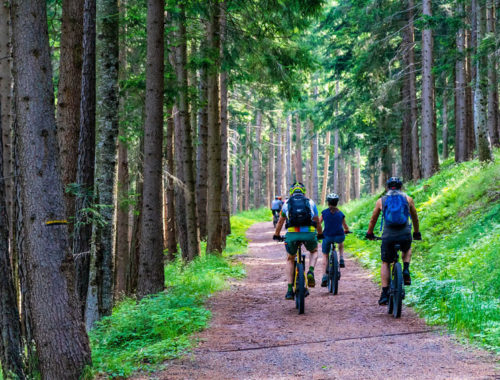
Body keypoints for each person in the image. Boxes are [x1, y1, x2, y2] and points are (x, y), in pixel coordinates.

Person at [365, 177, 421, 305]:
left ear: (387, 187)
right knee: (407, 248)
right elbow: (415, 218)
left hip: (388, 236)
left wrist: (369, 233)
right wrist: (416, 232)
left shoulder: (381, 201)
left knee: (385, 262)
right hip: (404, 234)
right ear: (401, 187)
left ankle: (384, 293)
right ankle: (406, 269)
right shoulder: (408, 199)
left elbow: (373, 220)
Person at [273, 182, 323, 300]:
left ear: (291, 192)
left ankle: (290, 290)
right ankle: (310, 271)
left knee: (290, 258)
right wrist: (320, 234)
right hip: (309, 234)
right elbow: (317, 220)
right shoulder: (310, 202)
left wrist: (276, 234)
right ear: (303, 191)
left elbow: (280, 221)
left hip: (292, 235)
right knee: (314, 251)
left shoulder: (287, 204)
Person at [319, 193, 350, 287]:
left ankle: (324, 276)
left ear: (328, 202)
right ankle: (341, 258)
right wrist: (347, 230)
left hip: (327, 236)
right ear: (337, 203)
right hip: (339, 236)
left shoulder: (324, 213)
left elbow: (319, 224)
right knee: (341, 241)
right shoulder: (340, 213)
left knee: (325, 255)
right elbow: (345, 226)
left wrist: (318, 233)